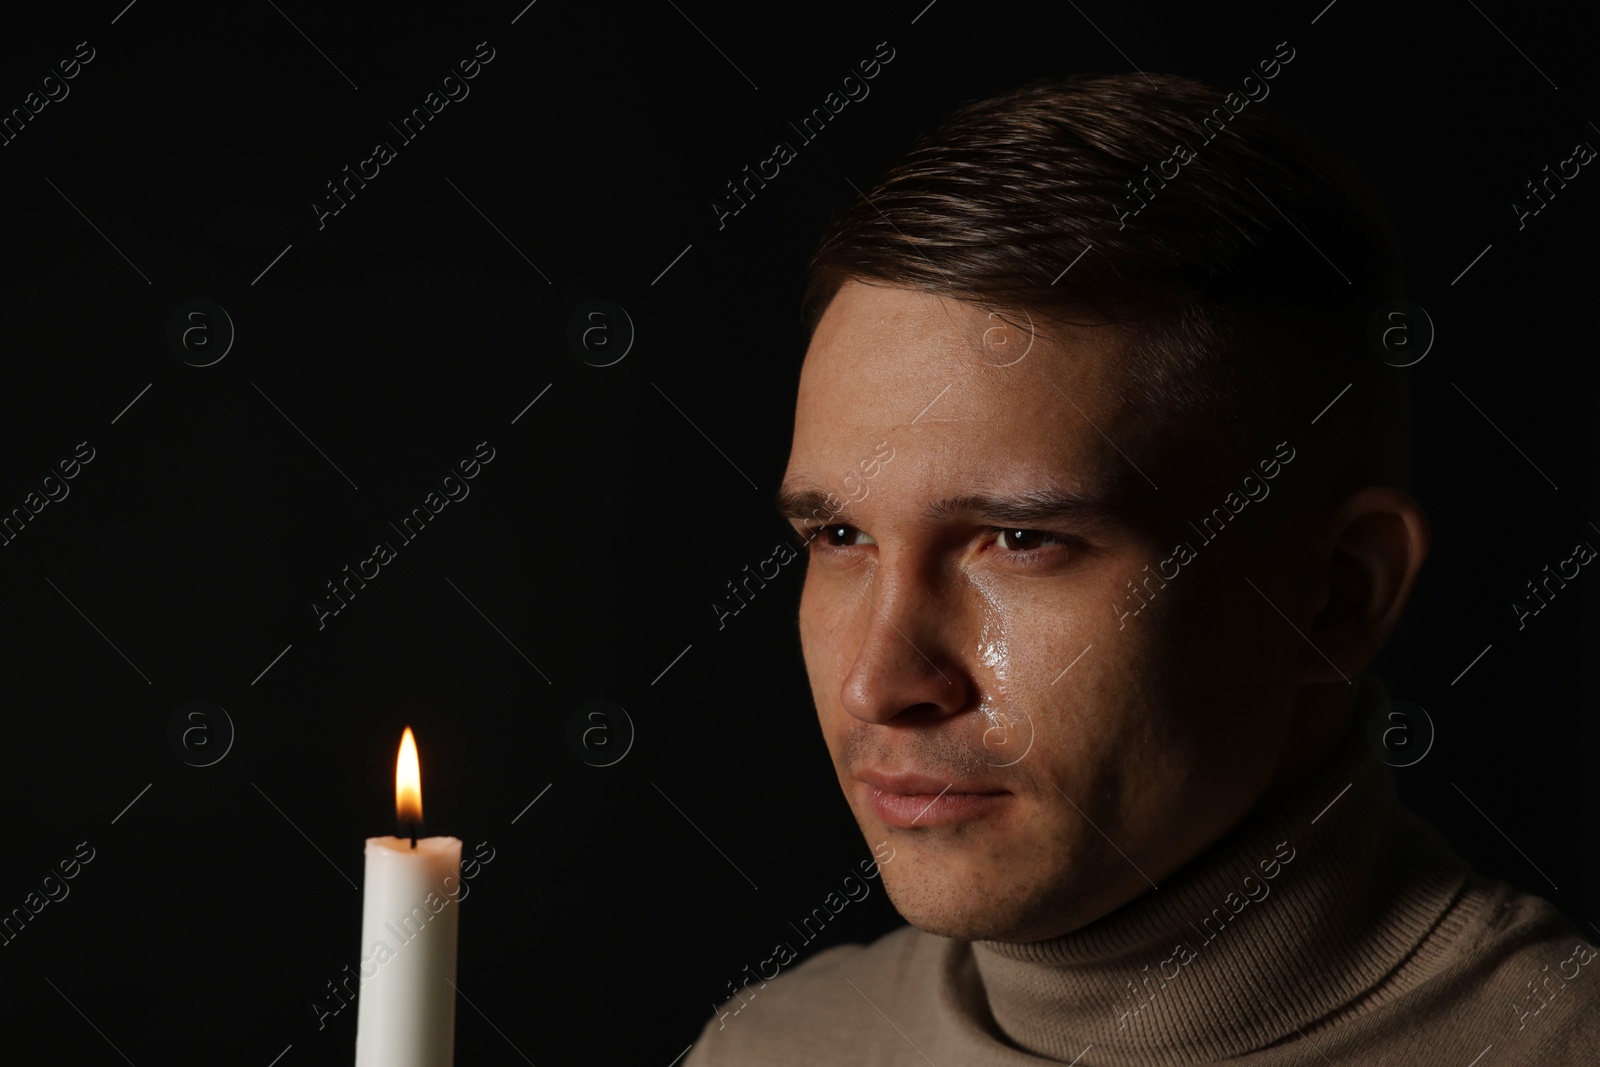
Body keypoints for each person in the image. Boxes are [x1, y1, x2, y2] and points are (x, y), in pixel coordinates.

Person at [682, 71, 1599, 1065]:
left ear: (1336, 594)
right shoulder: (766, 1046)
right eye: (839, 537)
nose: (879, 681)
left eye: (1022, 539)